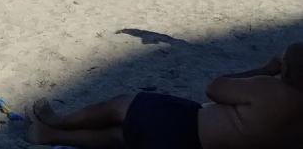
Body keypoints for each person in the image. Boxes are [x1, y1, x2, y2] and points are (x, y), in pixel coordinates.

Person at [26, 44, 303, 148]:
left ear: (286, 69)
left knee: (121, 107)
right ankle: (51, 136)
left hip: (190, 127)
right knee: (122, 137)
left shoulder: (270, 90)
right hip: (195, 144)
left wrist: (266, 70)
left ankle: (59, 122)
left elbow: (216, 88)